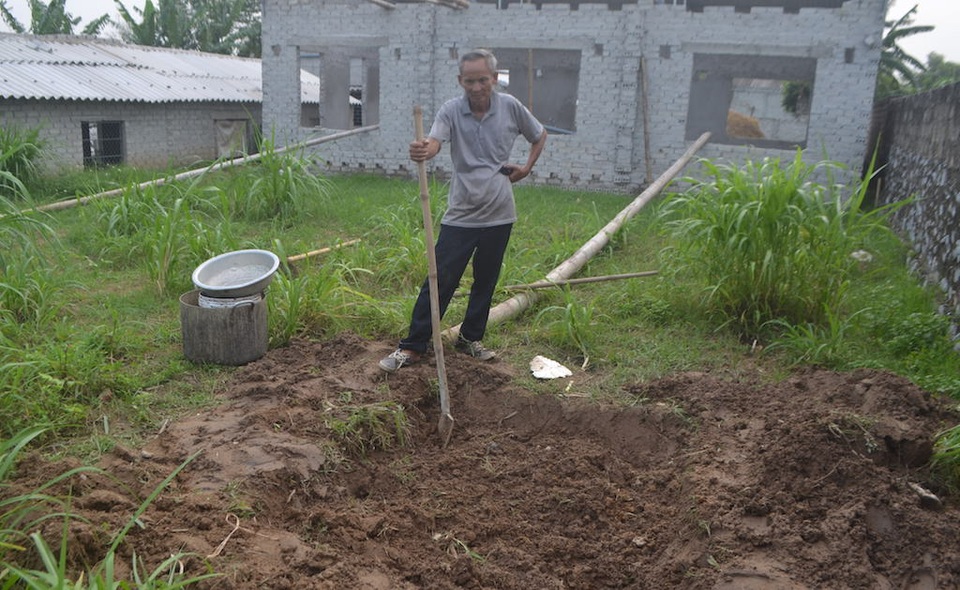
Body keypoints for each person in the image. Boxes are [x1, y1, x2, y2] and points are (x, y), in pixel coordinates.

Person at [379, 48, 547, 373]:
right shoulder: (452, 110)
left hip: (500, 214)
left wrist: (526, 168)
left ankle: (470, 339)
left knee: (485, 280)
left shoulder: (511, 107)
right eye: (469, 81)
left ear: (494, 79)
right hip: (462, 213)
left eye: (482, 80)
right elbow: (436, 141)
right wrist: (424, 149)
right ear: (460, 80)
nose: (476, 87)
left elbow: (539, 135)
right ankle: (413, 345)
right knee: (440, 279)